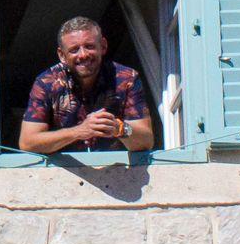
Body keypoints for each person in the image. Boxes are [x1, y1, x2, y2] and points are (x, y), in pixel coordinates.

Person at [17, 16, 155, 154]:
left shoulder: (126, 79)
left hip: (119, 171)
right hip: (61, 172)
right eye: (74, 50)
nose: (83, 55)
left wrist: (119, 128)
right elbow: (27, 142)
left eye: (89, 46)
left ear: (103, 46)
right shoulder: (47, 82)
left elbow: (146, 141)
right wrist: (79, 131)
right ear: (62, 55)